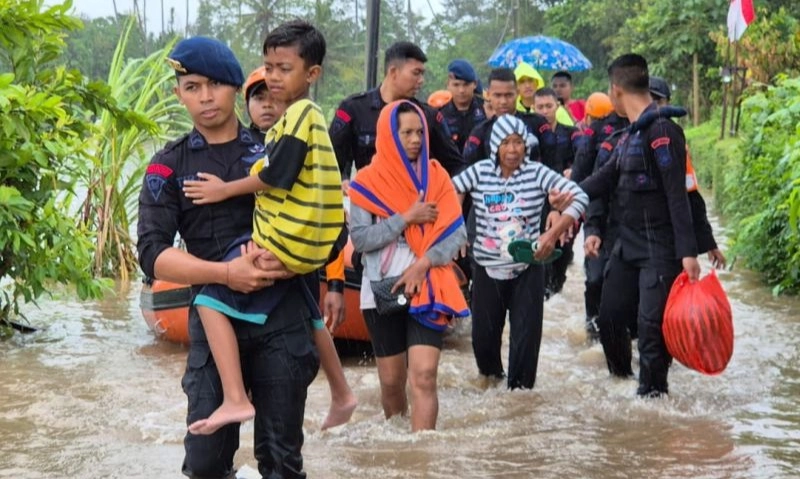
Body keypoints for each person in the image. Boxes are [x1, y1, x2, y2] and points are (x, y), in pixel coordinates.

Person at [137, 36, 316, 478]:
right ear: (178, 94)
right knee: (204, 462)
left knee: (282, 460)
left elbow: (327, 226)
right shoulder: (168, 165)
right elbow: (153, 255)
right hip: (214, 320)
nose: (205, 97)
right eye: (192, 87)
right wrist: (226, 273)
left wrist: (288, 262)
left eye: (215, 85)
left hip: (281, 318)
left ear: (236, 87)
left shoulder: (277, 152)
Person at [242, 65, 358, 431]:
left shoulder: (300, 143)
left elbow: (328, 215)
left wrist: (335, 284)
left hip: (297, 260)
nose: (267, 104)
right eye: (259, 98)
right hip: (257, 257)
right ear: (246, 105)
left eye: (274, 97)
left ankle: (338, 393)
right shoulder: (240, 146)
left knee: (305, 320)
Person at [579, 54, 700, 398]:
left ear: (615, 90)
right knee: (610, 318)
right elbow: (603, 178)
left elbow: (680, 195)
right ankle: (621, 383)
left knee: (650, 329)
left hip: (660, 250)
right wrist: (566, 195)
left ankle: (652, 397)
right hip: (626, 246)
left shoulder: (664, 132)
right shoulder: (629, 136)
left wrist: (689, 253)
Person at [348, 100, 468, 431]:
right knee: (391, 382)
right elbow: (361, 239)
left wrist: (423, 264)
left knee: (425, 376)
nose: (416, 140)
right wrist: (406, 218)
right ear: (389, 136)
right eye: (406, 133)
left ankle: (422, 450)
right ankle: (399, 443)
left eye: (420, 132)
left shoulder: (437, 177)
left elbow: (457, 233)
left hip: (429, 284)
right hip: (382, 290)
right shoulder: (366, 182)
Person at [452, 114, 588, 389]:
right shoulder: (479, 171)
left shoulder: (537, 173)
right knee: (483, 343)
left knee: (525, 344)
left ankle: (520, 398)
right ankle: (493, 389)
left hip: (528, 267)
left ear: (526, 145)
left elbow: (581, 197)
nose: (513, 150)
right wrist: (457, 227)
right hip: (487, 267)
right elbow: (451, 189)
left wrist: (552, 232)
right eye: (506, 143)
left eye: (518, 142)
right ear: (495, 147)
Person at [330, 41, 465, 192]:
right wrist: (343, 179)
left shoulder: (428, 116)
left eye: (422, 74)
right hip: (370, 199)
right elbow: (332, 159)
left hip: (415, 201)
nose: (421, 80)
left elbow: (456, 167)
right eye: (416, 73)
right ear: (393, 72)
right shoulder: (354, 108)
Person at [648, 76, 726, 270]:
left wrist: (708, 242)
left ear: (668, 103)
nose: (653, 107)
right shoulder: (630, 137)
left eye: (658, 101)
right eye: (648, 100)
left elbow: (690, 194)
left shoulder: (674, 140)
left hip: (666, 240)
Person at [533, 87, 587, 297]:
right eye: (540, 107)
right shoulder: (528, 137)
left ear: (557, 106)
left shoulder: (571, 133)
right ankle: (544, 296)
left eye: (549, 106)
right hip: (538, 202)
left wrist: (575, 170)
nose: (545, 111)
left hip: (567, 200)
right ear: (533, 108)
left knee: (563, 252)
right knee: (541, 252)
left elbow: (585, 154)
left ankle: (557, 295)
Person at [440, 59, 486, 152]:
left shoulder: (486, 109)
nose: (461, 90)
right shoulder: (441, 115)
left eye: (466, 84)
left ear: (475, 84)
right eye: (456, 85)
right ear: (448, 85)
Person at [515, 62, 574, 126]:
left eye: (530, 80)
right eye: (522, 82)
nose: (527, 85)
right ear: (515, 86)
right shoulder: (512, 110)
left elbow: (570, 130)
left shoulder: (555, 109)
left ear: (537, 82)